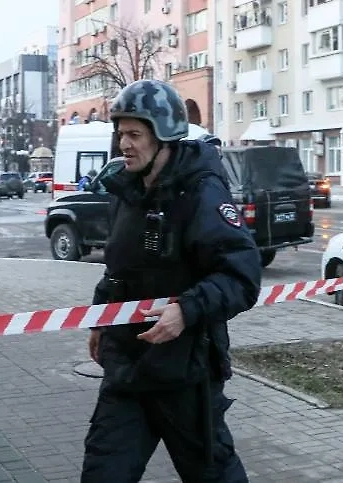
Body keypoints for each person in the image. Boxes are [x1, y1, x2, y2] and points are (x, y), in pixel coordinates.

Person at [80, 79, 261, 482]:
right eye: (120, 133)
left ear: (164, 137)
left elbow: (242, 275)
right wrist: (100, 321)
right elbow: (117, 271)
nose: (123, 144)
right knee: (101, 474)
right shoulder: (126, 190)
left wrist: (186, 310)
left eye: (134, 134)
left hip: (185, 373)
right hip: (125, 367)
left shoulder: (201, 193)